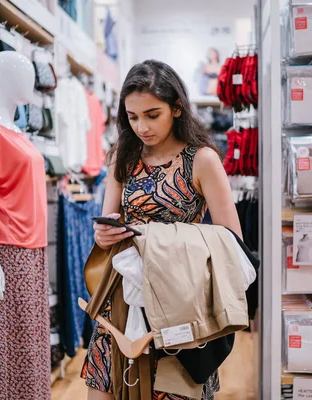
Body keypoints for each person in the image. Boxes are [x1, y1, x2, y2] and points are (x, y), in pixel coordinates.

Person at [80, 60, 242, 400]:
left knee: (170, 389)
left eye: (152, 115)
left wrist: (165, 240)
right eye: (133, 117)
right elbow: (107, 220)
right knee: (107, 388)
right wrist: (103, 236)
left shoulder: (203, 160)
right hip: (123, 300)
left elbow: (232, 243)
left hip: (179, 304)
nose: (142, 126)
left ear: (177, 108)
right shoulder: (122, 156)